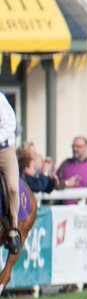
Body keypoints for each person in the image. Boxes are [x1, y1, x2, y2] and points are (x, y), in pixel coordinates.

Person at [0, 91, 20, 252]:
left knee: (13, 187)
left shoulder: (0, 99)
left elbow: (9, 125)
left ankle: (13, 229)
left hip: (4, 150)